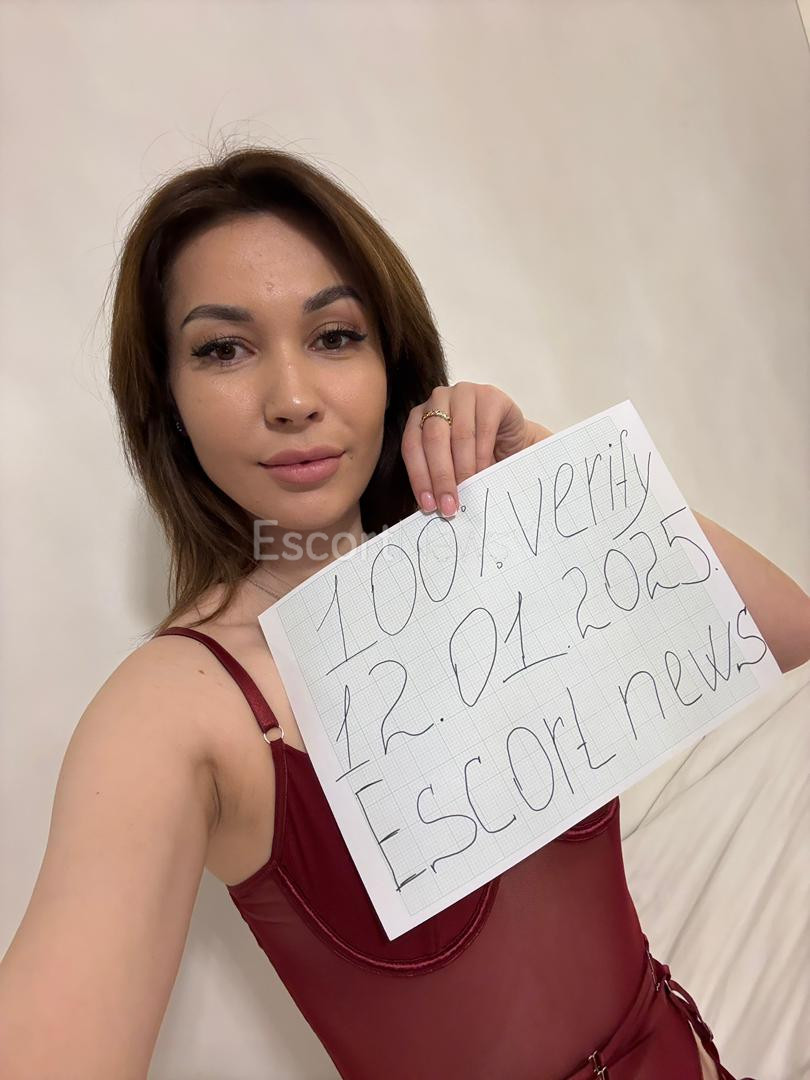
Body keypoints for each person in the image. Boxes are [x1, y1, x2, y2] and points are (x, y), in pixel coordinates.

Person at [1, 147, 808, 1080]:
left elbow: (787, 632)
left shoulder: (506, 553)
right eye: (223, 348)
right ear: (168, 400)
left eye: (335, 335)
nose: (292, 399)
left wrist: (547, 470)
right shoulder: (176, 712)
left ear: (391, 362)